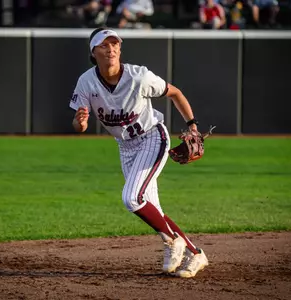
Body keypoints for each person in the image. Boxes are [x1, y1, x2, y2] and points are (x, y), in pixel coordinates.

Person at [69, 27, 209, 278]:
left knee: (131, 198)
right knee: (151, 206)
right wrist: (80, 122)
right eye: (104, 45)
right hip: (126, 147)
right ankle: (195, 254)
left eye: (115, 44)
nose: (111, 48)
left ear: (120, 49)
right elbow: (79, 126)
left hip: (152, 137)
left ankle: (171, 241)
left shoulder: (139, 76)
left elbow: (175, 93)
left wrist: (193, 126)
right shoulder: (86, 82)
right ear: (93, 51)